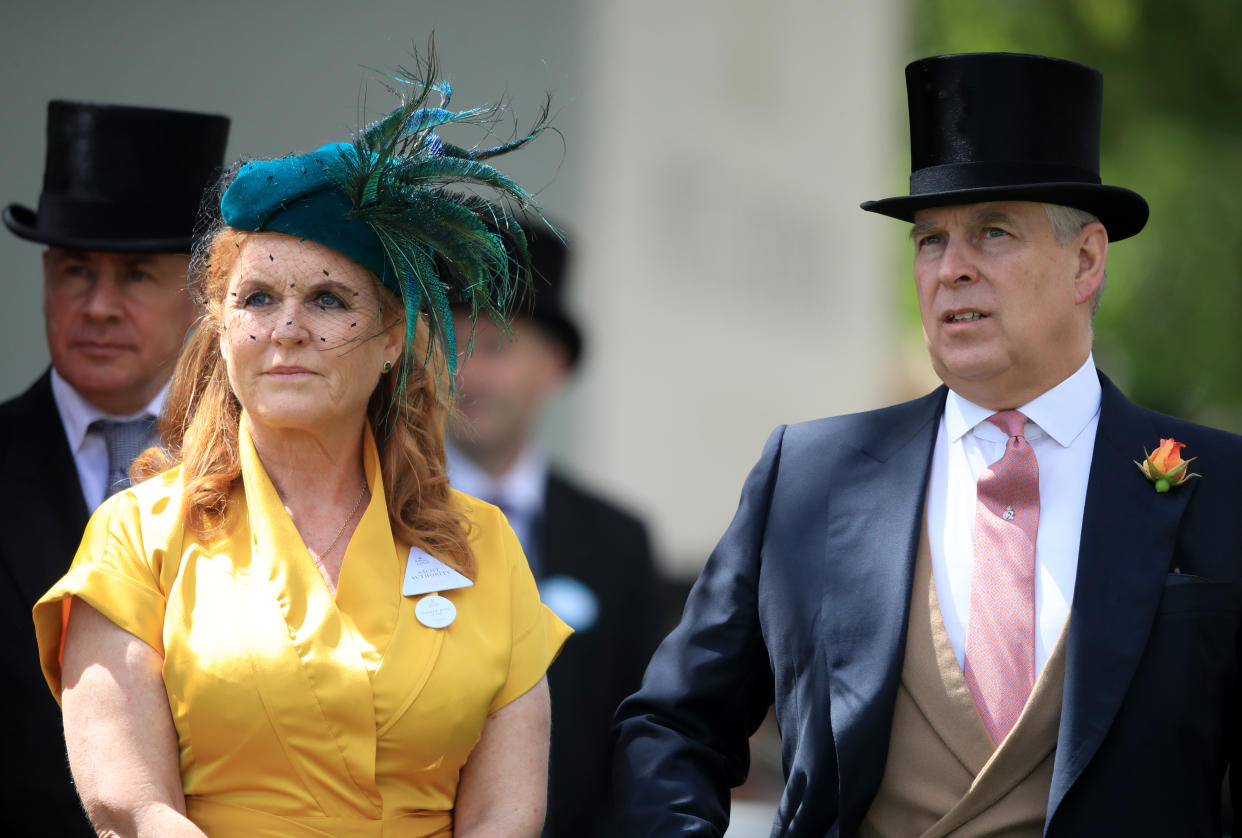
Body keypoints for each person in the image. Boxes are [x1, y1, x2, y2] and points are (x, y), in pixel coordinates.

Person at [613, 52, 1242, 836]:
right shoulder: (809, 475)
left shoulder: (1224, 486)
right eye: (929, 241)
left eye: (994, 232)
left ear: (1086, 261)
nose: (953, 270)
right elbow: (673, 725)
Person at [32, 61, 571, 837]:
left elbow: (507, 813)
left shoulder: (482, 547)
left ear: (392, 339)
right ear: (220, 331)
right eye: (256, 299)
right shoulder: (138, 538)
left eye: (328, 299)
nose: (286, 330)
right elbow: (131, 804)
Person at [0, 100, 229, 836]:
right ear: (44, 278)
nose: (98, 305)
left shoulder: (269, 472)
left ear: (203, 295)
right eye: (75, 271)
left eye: (135, 275)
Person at [446, 221, 661, 838]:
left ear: (555, 364)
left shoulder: (617, 542)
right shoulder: (374, 513)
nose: (469, 376)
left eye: (494, 348)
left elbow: (639, 733)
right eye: (451, 346)